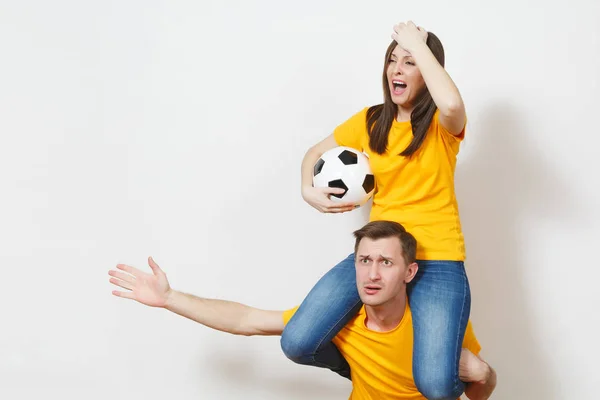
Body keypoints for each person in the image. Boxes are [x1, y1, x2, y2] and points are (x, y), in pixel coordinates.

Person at [281, 21, 473, 399]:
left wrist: (418, 43)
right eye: (392, 61)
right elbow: (313, 154)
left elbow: (450, 102)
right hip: (380, 255)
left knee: (435, 385)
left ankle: (462, 367)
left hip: (438, 258)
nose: (397, 70)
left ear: (430, 70)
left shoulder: (441, 125)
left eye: (410, 62)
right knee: (298, 341)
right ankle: (370, 367)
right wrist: (307, 188)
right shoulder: (370, 121)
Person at [109, 221, 496, 400]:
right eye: (364, 261)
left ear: (410, 271)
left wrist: (485, 375)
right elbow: (247, 320)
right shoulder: (340, 321)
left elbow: (477, 391)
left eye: (386, 263)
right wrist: (170, 297)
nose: (372, 274)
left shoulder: (435, 326)